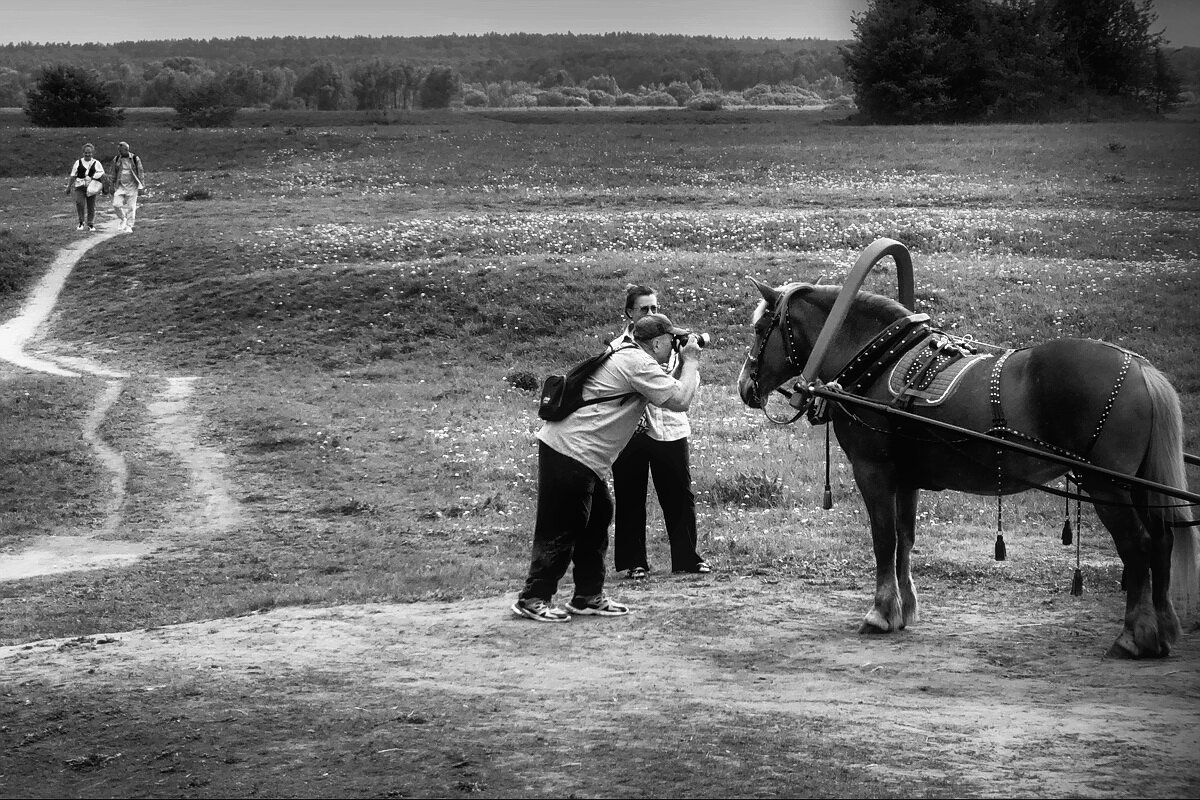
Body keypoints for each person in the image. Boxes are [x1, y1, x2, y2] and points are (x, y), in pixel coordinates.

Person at [513, 313, 704, 622]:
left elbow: (669, 391)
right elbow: (680, 400)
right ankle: (534, 596)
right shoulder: (637, 363)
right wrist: (692, 361)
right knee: (563, 523)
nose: (674, 346)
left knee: (599, 513)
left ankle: (587, 595)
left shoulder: (634, 357)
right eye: (671, 342)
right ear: (656, 342)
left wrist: (684, 363)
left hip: (578, 451)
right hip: (570, 449)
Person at [611, 285, 711, 579]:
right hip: (633, 430)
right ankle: (634, 562)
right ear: (629, 313)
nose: (651, 313)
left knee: (679, 494)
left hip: (671, 426)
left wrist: (684, 363)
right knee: (630, 495)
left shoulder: (671, 342)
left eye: (655, 307)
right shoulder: (619, 348)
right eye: (644, 309)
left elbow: (688, 386)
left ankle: (686, 559)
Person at [64, 143, 104, 232]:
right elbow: (73, 175)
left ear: (92, 153)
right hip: (79, 186)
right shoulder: (78, 163)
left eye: (89, 153)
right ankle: (81, 222)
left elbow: (101, 175)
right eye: (86, 152)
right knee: (80, 203)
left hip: (91, 187)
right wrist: (69, 187)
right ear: (83, 153)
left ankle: (90, 224)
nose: (87, 154)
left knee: (91, 205)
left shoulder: (96, 163)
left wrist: (97, 181)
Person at [108, 141, 145, 233]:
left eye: (122, 151)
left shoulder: (135, 159)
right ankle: (123, 218)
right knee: (116, 204)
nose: (120, 153)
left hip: (133, 187)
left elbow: (140, 172)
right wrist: (111, 185)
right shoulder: (116, 159)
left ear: (127, 150)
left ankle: (129, 226)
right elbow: (113, 173)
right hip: (120, 186)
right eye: (119, 151)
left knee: (131, 207)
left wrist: (142, 186)